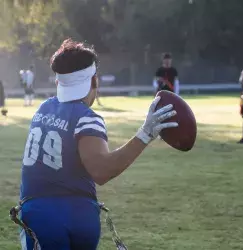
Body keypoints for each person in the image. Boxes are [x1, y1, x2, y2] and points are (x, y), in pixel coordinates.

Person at [19, 38, 178, 250]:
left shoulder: (43, 110)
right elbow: (102, 171)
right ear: (94, 80)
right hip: (78, 216)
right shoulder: (86, 117)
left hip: (39, 216)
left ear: (58, 82)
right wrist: (145, 133)